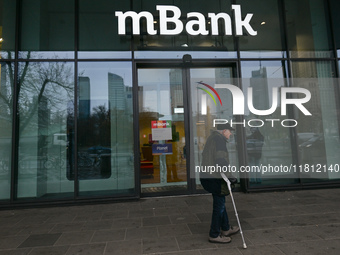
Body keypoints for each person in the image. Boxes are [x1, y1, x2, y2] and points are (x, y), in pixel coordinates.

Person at [200, 123, 240, 244]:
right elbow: (221, 160)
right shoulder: (219, 140)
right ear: (224, 131)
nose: (231, 134)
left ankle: (226, 228)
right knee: (219, 206)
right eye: (229, 131)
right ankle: (214, 234)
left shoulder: (212, 138)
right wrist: (230, 176)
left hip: (208, 176)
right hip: (215, 178)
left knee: (220, 202)